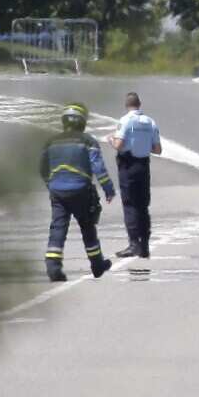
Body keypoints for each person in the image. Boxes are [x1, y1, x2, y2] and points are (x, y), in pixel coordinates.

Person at [40, 103, 114, 282]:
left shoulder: (50, 142)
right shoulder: (88, 141)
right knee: (88, 226)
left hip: (57, 191)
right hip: (81, 190)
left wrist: (51, 185)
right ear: (82, 122)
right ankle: (97, 264)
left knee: (58, 227)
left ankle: (53, 266)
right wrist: (108, 189)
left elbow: (43, 168)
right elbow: (98, 167)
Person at [109, 92, 161, 259]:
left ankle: (134, 244)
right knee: (143, 206)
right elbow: (157, 149)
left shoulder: (125, 121)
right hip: (143, 165)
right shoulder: (150, 122)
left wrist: (111, 140)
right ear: (140, 104)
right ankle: (145, 245)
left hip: (128, 165)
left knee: (129, 204)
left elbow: (119, 144)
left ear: (126, 105)